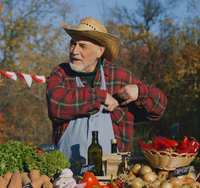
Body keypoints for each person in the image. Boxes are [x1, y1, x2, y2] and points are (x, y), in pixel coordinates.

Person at [46, 17, 167, 170]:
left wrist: (140, 91)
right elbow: (56, 106)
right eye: (73, 44)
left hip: (111, 177)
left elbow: (159, 109)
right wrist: (100, 97)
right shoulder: (61, 73)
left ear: (100, 51)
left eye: (82, 46)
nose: (74, 51)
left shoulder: (120, 78)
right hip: (65, 176)